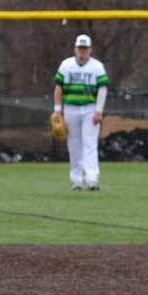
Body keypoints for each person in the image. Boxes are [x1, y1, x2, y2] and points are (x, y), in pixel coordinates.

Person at [53, 33, 110, 191]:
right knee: (74, 145)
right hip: (70, 108)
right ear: (75, 48)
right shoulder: (66, 65)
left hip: (89, 109)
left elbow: (102, 89)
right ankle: (76, 180)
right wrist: (57, 110)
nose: (82, 51)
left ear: (90, 49)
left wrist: (99, 111)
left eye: (85, 48)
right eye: (80, 48)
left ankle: (92, 179)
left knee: (90, 143)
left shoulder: (97, 67)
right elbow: (58, 88)